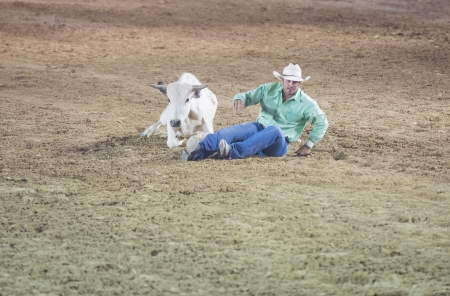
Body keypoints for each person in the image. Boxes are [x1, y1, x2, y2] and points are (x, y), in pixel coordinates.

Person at [181, 63, 328, 161]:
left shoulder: (307, 103)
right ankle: (199, 149)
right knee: (232, 132)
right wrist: (240, 99)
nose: (291, 84)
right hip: (259, 127)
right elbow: (248, 96)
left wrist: (308, 144)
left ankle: (232, 151)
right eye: (288, 81)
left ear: (299, 83)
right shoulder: (267, 89)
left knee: (275, 130)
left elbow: (322, 121)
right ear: (282, 80)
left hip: (279, 142)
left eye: (295, 82)